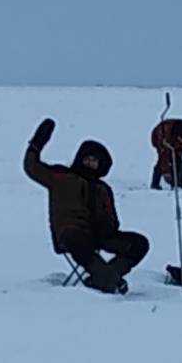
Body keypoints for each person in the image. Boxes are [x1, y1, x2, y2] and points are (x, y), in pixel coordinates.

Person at [24, 118, 149, 294]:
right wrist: (36, 144)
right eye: (87, 159)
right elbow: (32, 167)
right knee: (78, 240)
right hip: (71, 233)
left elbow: (113, 219)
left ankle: (101, 278)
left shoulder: (103, 189)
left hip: (100, 235)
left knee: (139, 244)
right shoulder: (61, 177)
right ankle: (111, 281)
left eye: (95, 161)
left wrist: (107, 228)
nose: (90, 163)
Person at [150, 118, 182, 189]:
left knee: (177, 161)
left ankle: (175, 182)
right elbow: (164, 157)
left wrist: (179, 152)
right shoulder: (165, 135)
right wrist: (166, 172)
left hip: (173, 142)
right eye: (180, 141)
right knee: (161, 162)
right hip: (159, 139)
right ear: (177, 137)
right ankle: (155, 184)